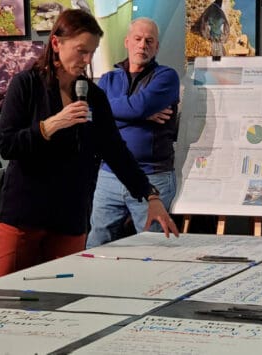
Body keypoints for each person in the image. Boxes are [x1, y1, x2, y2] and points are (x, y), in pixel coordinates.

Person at [0, 9, 179, 277]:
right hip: (24, 217)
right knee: (15, 300)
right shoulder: (26, 85)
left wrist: (150, 195)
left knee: (64, 300)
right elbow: (8, 145)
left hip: (69, 218)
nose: (87, 60)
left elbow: (115, 150)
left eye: (92, 52)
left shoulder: (91, 94)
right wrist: (51, 125)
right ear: (56, 43)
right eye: (81, 51)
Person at [87, 17, 180, 247]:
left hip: (152, 177)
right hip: (109, 175)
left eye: (149, 41)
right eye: (138, 39)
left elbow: (138, 106)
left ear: (157, 46)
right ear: (127, 42)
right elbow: (92, 116)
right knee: (96, 244)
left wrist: (124, 112)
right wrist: (141, 114)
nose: (143, 45)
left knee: (154, 247)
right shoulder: (108, 79)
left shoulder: (166, 77)